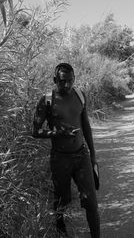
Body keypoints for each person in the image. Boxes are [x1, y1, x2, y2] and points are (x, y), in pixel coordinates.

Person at [32, 63, 100, 237]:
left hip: (81, 155)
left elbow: (86, 127)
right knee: (62, 203)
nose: (67, 85)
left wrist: (92, 156)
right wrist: (57, 132)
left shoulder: (80, 96)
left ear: (74, 79)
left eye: (70, 81)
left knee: (91, 203)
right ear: (55, 80)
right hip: (60, 159)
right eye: (62, 82)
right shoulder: (47, 100)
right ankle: (61, 233)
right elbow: (35, 131)